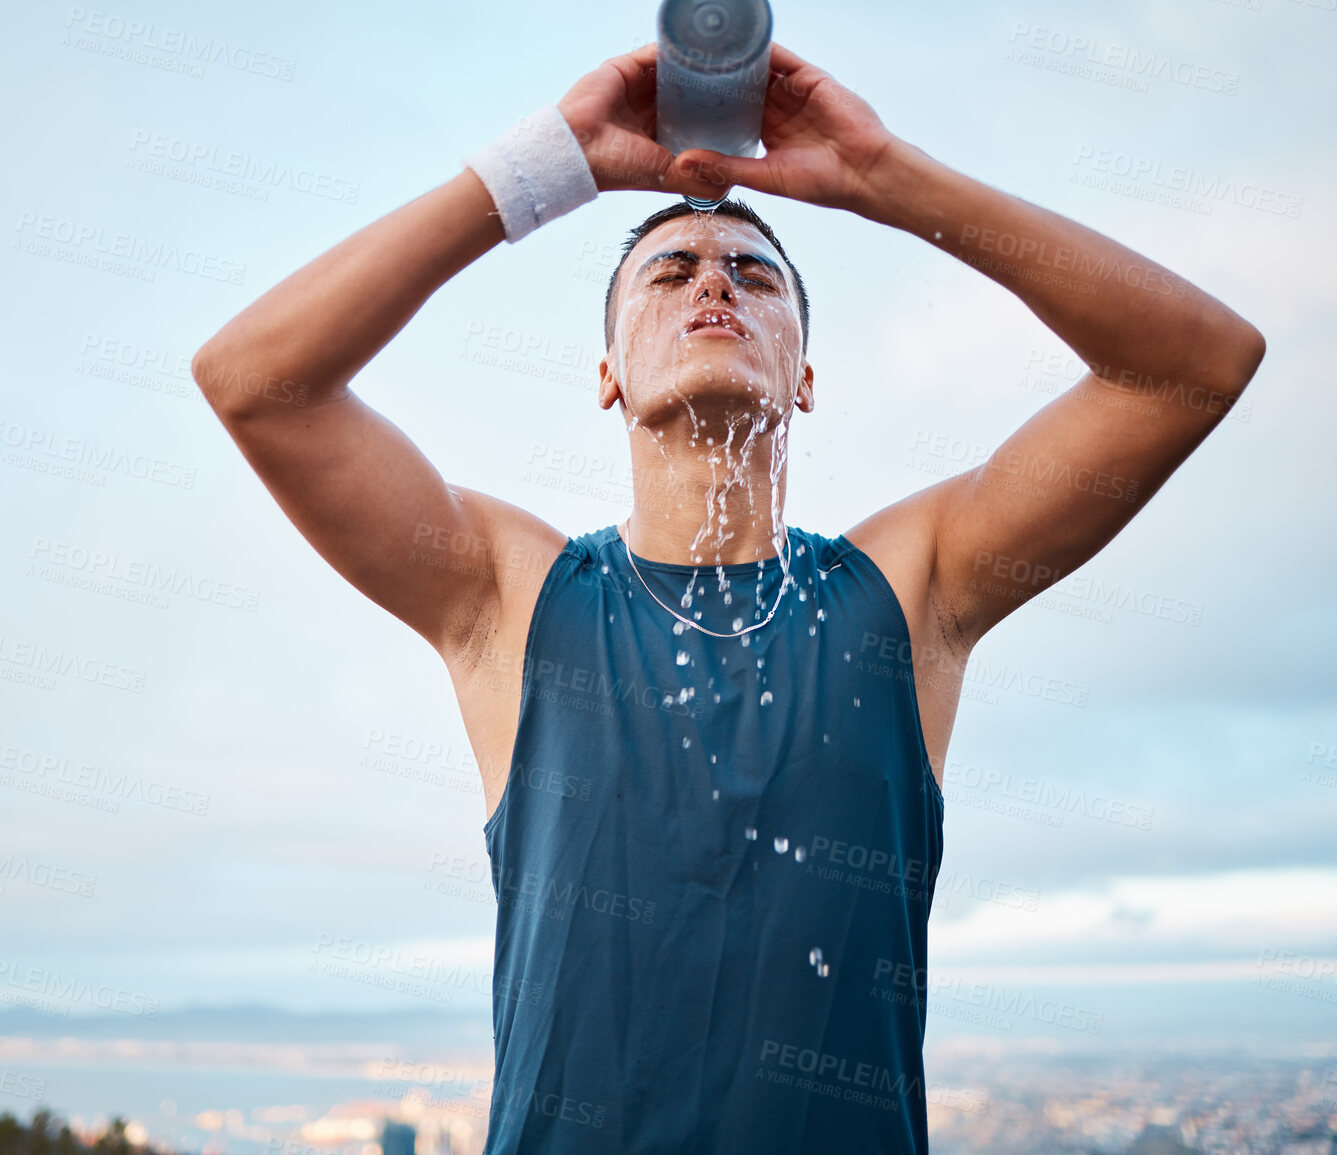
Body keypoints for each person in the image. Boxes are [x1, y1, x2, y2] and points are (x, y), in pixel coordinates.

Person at [191, 40, 1264, 1155]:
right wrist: (544, 168)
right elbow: (259, 386)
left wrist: (888, 179)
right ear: (608, 374)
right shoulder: (514, 596)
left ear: (804, 374)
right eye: (670, 271)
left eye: (754, 274)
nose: (713, 280)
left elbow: (1190, 366)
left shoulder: (907, 587)